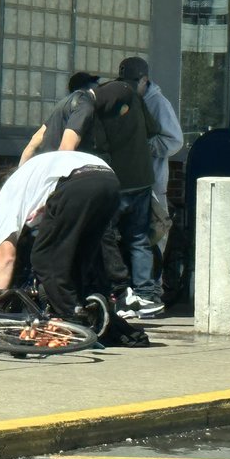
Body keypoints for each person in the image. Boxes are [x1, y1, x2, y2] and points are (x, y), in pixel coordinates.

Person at [0, 150, 121, 326]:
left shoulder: (5, 199)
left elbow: (6, 257)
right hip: (109, 181)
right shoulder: (30, 178)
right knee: (78, 258)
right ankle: (92, 312)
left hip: (79, 182)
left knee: (44, 257)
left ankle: (71, 315)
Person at [86, 71, 164, 319]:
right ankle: (146, 295)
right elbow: (154, 129)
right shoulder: (135, 98)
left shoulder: (99, 100)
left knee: (105, 236)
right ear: (141, 80)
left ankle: (117, 292)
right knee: (139, 238)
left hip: (116, 180)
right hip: (141, 180)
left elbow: (97, 140)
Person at [118, 57, 184, 301]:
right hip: (131, 182)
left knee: (153, 236)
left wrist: (143, 146)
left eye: (134, 82)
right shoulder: (128, 99)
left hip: (153, 183)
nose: (130, 86)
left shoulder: (157, 103)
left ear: (145, 80)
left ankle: (152, 289)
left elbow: (174, 140)